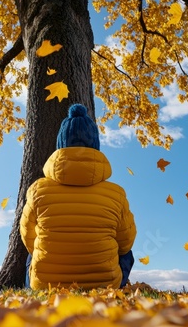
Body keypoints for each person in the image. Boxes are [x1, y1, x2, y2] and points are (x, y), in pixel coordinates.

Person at [20, 103, 137, 289]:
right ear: (95, 146)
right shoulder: (117, 193)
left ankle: (38, 285)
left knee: (33, 252)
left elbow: (28, 238)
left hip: (47, 285)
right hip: (105, 285)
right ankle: (111, 285)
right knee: (127, 253)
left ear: (60, 145)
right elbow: (125, 243)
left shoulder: (37, 190)